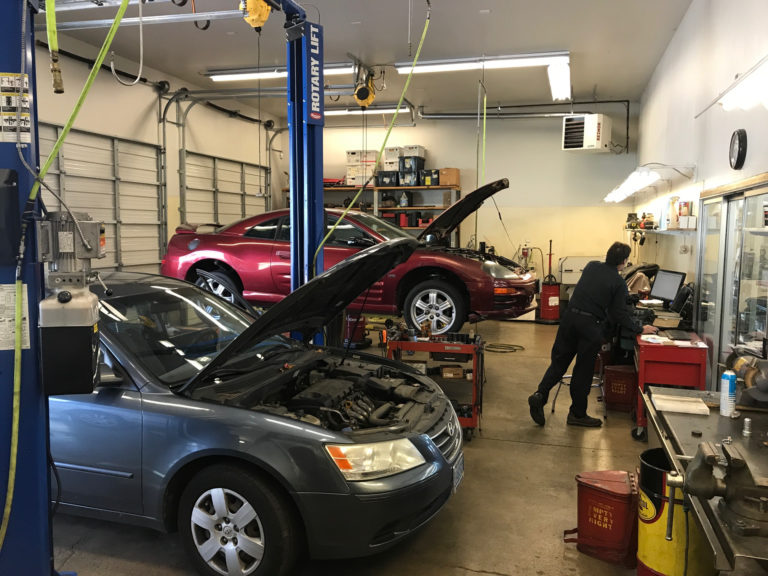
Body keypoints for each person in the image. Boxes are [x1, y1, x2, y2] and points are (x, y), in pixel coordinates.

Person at [528, 242, 658, 427]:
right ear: (623, 262)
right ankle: (577, 415)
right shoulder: (619, 282)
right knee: (583, 371)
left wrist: (622, 297)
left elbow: (597, 290)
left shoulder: (591, 266)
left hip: (569, 319)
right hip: (589, 327)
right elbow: (618, 314)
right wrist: (639, 328)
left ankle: (539, 395)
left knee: (559, 364)